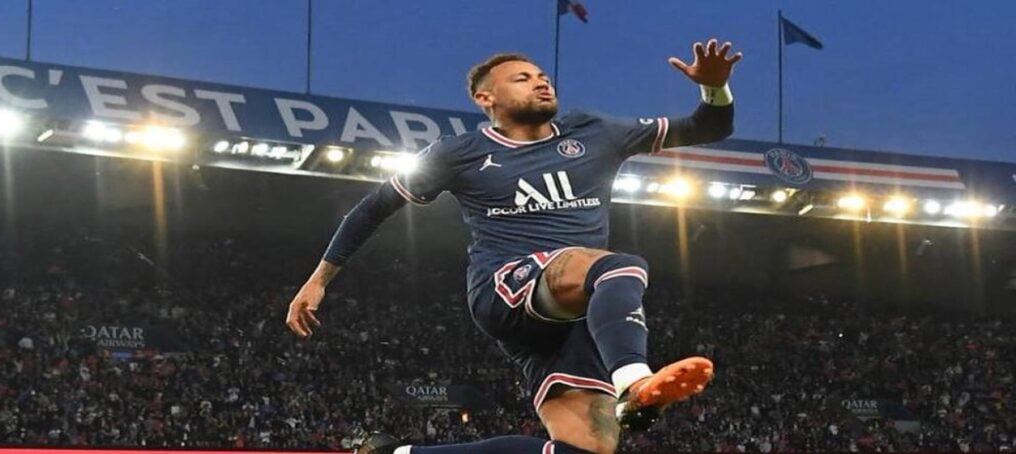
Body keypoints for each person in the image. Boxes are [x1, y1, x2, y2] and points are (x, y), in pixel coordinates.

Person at [286, 39, 743, 454]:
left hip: (571, 314)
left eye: (542, 75)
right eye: (522, 78)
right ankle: (634, 381)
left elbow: (708, 127)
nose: (541, 82)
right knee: (620, 267)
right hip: (504, 287)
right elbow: (371, 209)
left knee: (586, 451)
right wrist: (318, 280)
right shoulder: (457, 153)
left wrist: (715, 87)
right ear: (485, 98)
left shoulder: (593, 132)